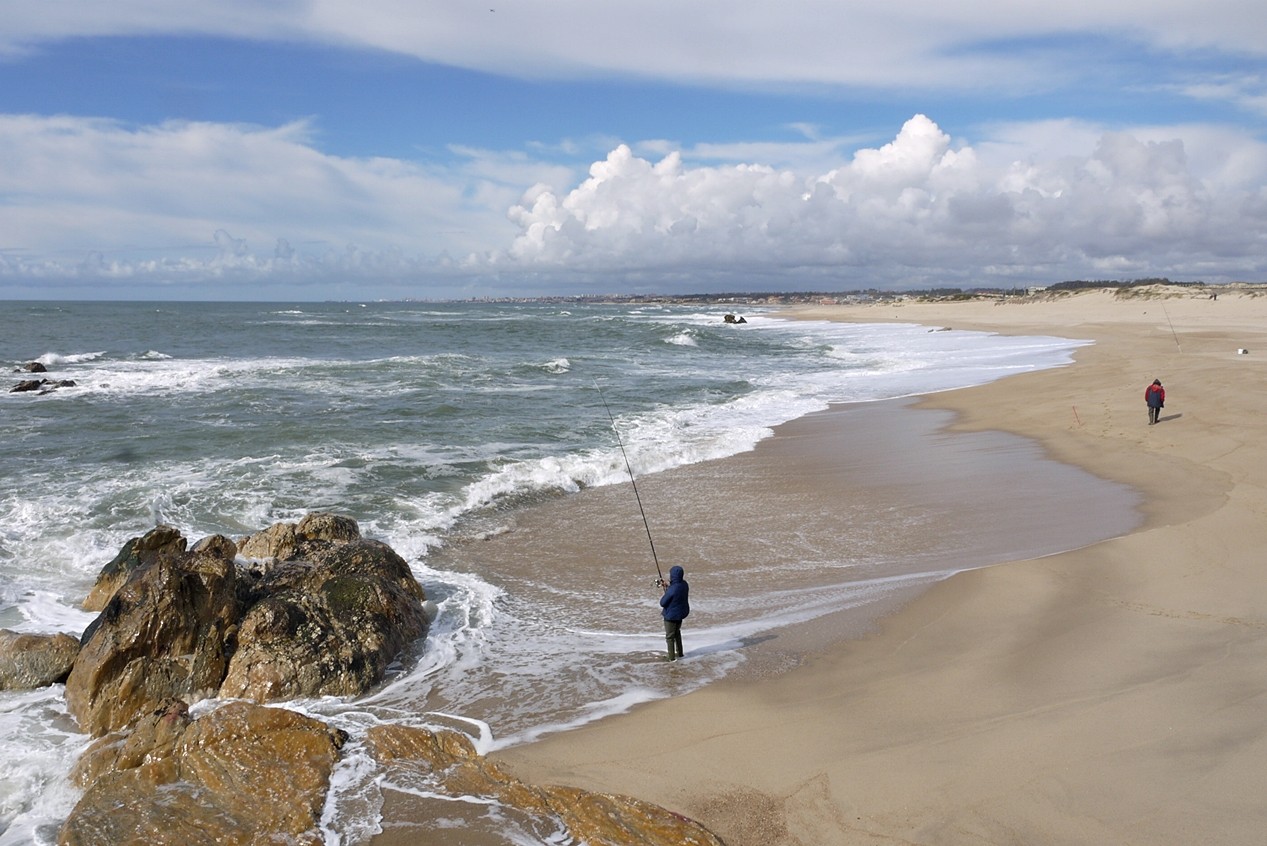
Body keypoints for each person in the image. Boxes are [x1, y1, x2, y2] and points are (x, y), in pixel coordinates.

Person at [658, 565, 690, 661]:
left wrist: (668, 590)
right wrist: (668, 586)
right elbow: (675, 592)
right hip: (680, 614)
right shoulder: (684, 584)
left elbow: (662, 603)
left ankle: (671, 657)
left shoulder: (673, 589)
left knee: (670, 637)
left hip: (671, 616)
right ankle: (680, 653)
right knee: (677, 633)